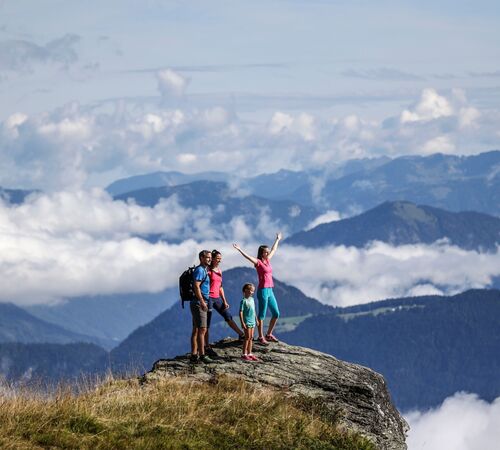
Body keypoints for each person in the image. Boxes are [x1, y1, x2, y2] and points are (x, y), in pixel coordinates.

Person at [233, 232, 282, 345]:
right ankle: (260, 336)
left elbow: (274, 250)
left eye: (267, 251)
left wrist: (277, 239)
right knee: (261, 315)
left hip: (270, 290)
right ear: (261, 253)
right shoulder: (258, 262)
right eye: (265, 252)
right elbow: (248, 257)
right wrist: (240, 250)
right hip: (263, 291)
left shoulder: (267, 260)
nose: (268, 252)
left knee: (276, 313)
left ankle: (268, 334)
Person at [206, 250, 244, 349]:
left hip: (217, 298)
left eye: (220, 259)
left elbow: (220, 287)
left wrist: (225, 301)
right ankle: (206, 345)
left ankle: (241, 334)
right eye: (218, 258)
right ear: (212, 259)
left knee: (228, 316)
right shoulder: (207, 271)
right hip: (208, 298)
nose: (219, 261)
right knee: (207, 323)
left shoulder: (219, 271)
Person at [190, 250, 213, 363]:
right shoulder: (200, 270)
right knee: (202, 329)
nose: (210, 259)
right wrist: (202, 302)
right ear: (201, 258)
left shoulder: (204, 269)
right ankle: (202, 355)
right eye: (207, 257)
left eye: (210, 257)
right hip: (199, 303)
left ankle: (194, 355)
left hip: (198, 302)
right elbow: (196, 286)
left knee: (196, 329)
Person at [239, 283, 259, 361]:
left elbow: (254, 310)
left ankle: (250, 353)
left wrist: (256, 319)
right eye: (251, 291)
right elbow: (240, 312)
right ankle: (244, 354)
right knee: (247, 337)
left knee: (251, 337)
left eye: (253, 291)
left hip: (252, 321)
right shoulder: (243, 301)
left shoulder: (252, 300)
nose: (252, 292)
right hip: (247, 321)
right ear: (246, 290)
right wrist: (242, 322)